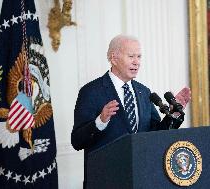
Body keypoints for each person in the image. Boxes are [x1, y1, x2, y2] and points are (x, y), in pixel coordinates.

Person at [71, 34, 183, 188]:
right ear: (114, 58)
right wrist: (100, 121)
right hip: (106, 180)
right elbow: (77, 141)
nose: (136, 62)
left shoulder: (144, 92)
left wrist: (174, 113)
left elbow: (156, 133)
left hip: (141, 178)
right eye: (131, 56)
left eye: (139, 56)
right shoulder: (91, 91)